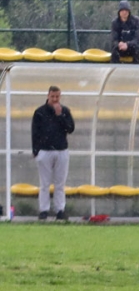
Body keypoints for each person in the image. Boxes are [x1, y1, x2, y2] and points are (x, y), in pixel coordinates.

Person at [31, 86, 75, 221]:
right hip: (45, 151)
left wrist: (60, 115)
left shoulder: (65, 111)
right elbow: (35, 132)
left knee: (60, 183)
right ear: (48, 96)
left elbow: (70, 128)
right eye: (52, 97)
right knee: (44, 183)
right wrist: (36, 151)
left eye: (57, 96)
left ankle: (60, 209)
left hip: (61, 150)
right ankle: (44, 210)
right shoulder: (40, 112)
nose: (55, 99)